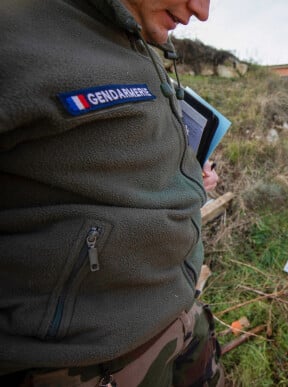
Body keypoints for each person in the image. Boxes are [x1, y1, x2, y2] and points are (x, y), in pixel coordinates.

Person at [0, 0, 223, 385]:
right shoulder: (17, 29)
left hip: (183, 319)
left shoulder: (137, 39)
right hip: (91, 367)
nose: (201, 12)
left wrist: (184, 176)